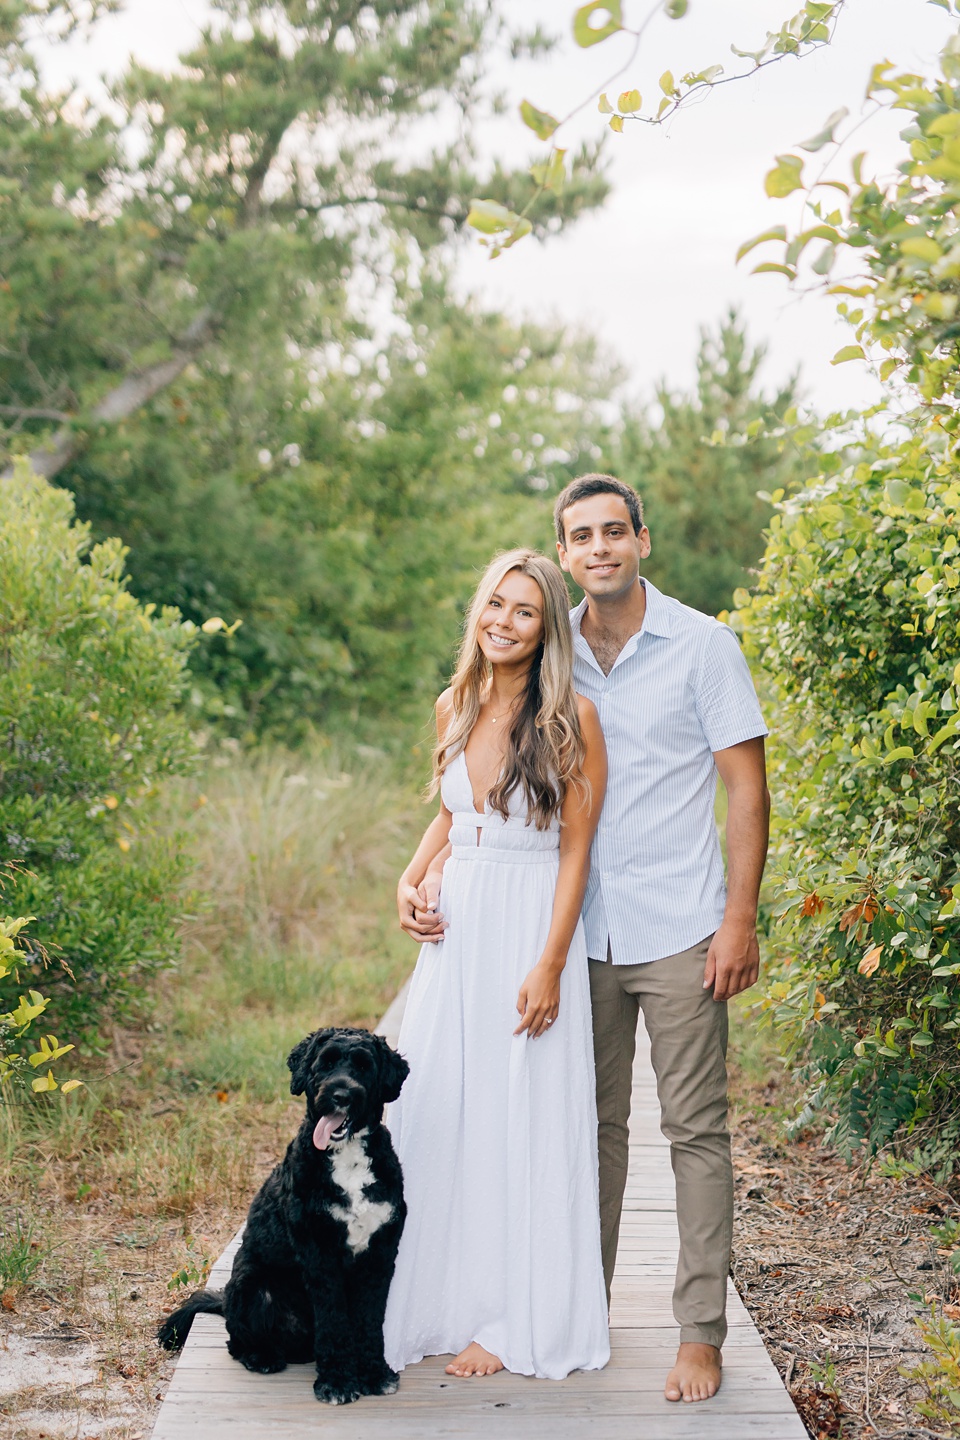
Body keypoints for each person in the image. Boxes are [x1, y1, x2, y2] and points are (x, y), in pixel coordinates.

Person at [402, 475, 770, 1406]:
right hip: (569, 933)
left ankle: (698, 1335)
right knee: (581, 1130)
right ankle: (574, 1307)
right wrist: (425, 870)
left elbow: (746, 791)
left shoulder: (702, 646)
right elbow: (485, 787)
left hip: (680, 922)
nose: (599, 547)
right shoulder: (549, 648)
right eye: (581, 535)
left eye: (616, 531)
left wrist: (739, 917)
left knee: (693, 1131)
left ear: (642, 540)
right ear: (563, 551)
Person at [384, 548, 609, 1383]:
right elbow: (454, 815)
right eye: (495, 605)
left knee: (522, 1117)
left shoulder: (572, 720)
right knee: (446, 1109)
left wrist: (551, 963)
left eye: (524, 611)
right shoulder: (454, 702)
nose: (504, 623)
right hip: (456, 938)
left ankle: (514, 1318)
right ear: (478, 611)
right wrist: (409, 878)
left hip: (528, 926)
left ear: (547, 627)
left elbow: (577, 852)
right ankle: (441, 1300)